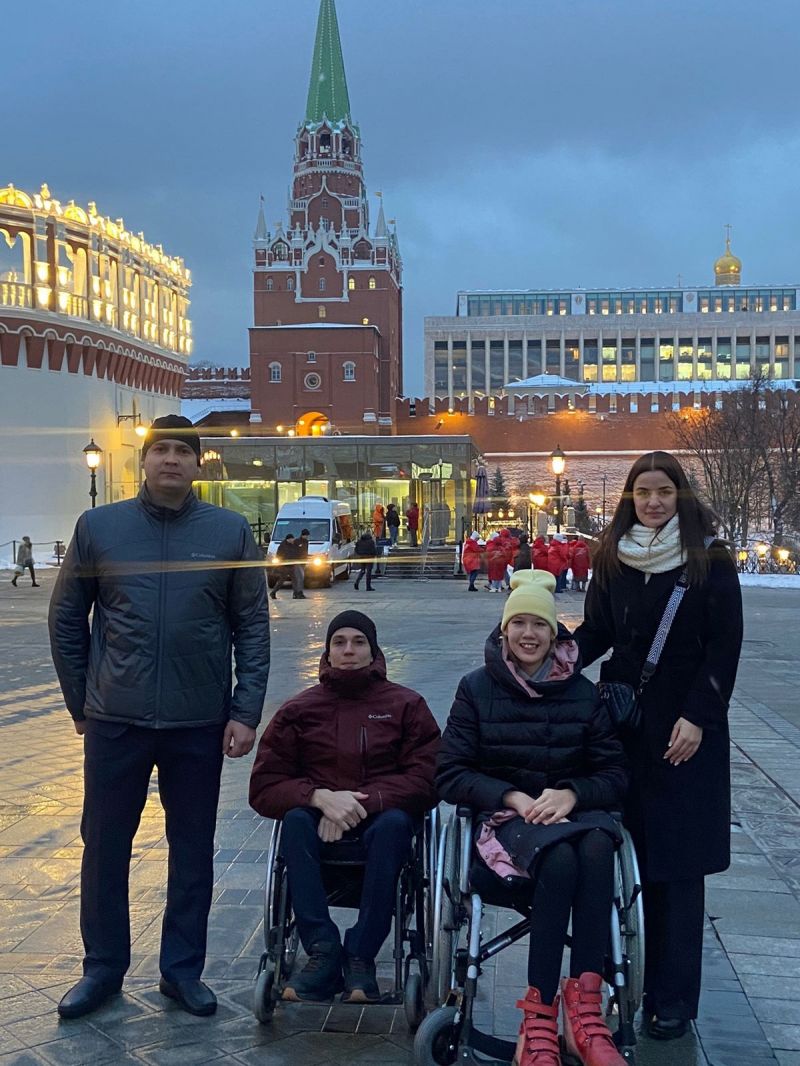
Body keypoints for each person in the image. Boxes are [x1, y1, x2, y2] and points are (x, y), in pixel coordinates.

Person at [48, 414, 269, 1020]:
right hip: (116, 719)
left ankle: (182, 971)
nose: (171, 459)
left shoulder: (228, 532)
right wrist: (81, 701)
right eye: (160, 450)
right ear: (143, 461)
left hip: (197, 720)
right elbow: (66, 618)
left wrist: (245, 710)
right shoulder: (99, 528)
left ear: (198, 464)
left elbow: (251, 625)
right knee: (104, 845)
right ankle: (102, 969)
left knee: (192, 849)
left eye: (182, 451)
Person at [574, 450, 743, 1042]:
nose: (652, 502)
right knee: (621, 856)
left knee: (678, 866)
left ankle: (672, 998)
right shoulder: (612, 557)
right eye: (642, 492)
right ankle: (621, 979)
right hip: (623, 726)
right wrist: (550, 655)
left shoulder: (708, 558)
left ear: (680, 497)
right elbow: (598, 631)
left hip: (684, 734)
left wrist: (699, 716)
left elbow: (724, 646)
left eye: (663, 492)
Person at [437, 570, 629, 1066]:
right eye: (518, 623)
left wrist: (572, 793)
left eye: (539, 625)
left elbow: (614, 774)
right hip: (507, 821)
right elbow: (450, 773)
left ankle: (585, 1012)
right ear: (504, 631)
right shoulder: (476, 688)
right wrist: (512, 797)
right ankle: (539, 1016)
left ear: (555, 633)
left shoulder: (582, 693)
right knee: (561, 860)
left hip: (574, 815)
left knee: (598, 845)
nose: (529, 634)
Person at [249, 610, 440, 1002]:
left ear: (373, 651)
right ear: (328, 652)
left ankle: (360, 955)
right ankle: (322, 950)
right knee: (295, 821)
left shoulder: (406, 705)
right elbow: (265, 785)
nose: (349, 650)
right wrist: (319, 798)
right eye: (339, 642)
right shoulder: (299, 710)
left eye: (358, 642)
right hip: (317, 822)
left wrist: (358, 804)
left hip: (382, 819)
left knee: (395, 826)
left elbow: (428, 778)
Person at [270, 533, 305, 600]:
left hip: (292, 565)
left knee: (295, 580)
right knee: (281, 581)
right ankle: (273, 592)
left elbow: (296, 553)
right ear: (288, 539)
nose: (293, 540)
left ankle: (295, 594)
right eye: (292, 539)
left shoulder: (293, 545)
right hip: (284, 567)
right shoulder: (282, 546)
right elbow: (279, 556)